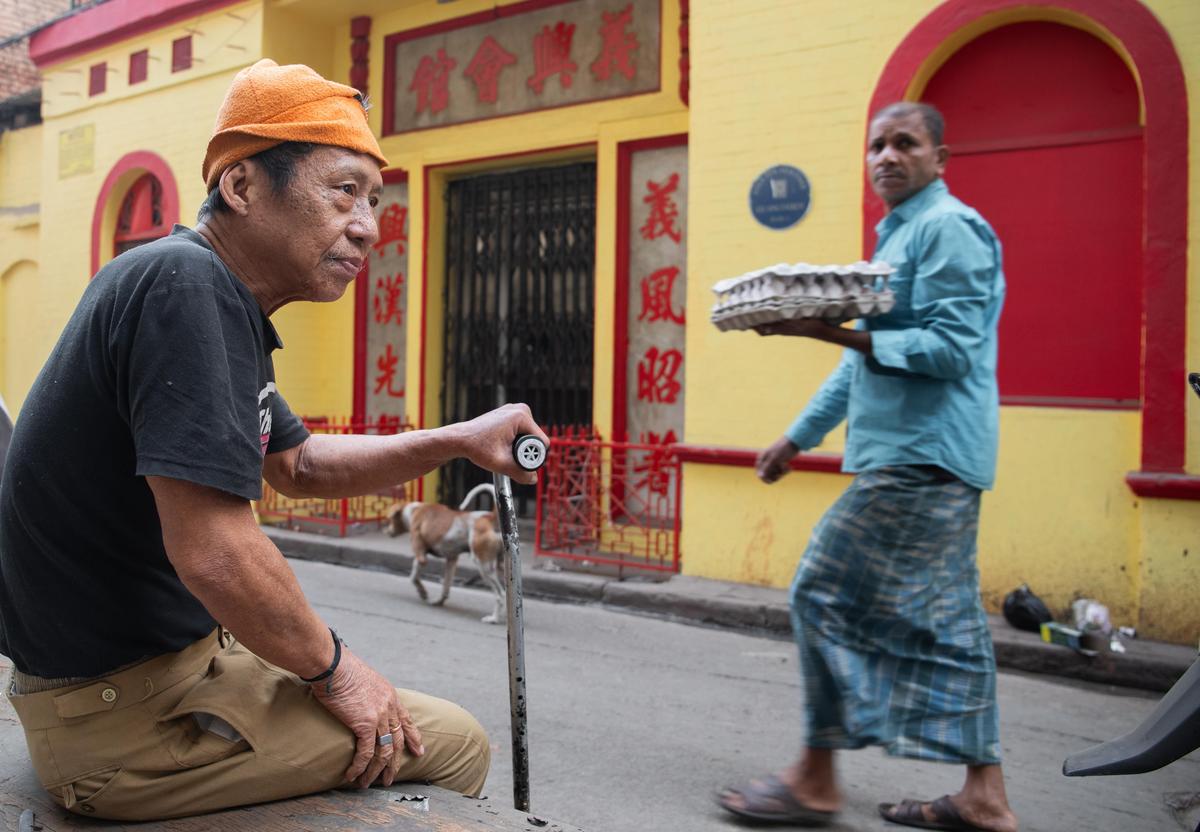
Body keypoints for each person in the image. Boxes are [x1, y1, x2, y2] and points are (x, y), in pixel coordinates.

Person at [0, 60, 548, 822]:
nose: (367, 224)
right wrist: (338, 672)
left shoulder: (211, 296)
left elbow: (299, 463)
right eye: (343, 190)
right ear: (244, 187)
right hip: (122, 724)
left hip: (159, 675)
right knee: (452, 743)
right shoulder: (183, 287)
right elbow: (217, 551)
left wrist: (458, 439)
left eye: (376, 200)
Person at [718, 102, 1018, 832]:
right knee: (949, 626)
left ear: (939, 157)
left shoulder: (949, 229)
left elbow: (949, 350)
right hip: (924, 458)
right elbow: (866, 365)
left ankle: (817, 777)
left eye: (905, 143)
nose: (886, 155)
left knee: (822, 591)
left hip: (925, 457)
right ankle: (985, 796)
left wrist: (825, 331)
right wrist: (796, 438)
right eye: (876, 145)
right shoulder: (900, 238)